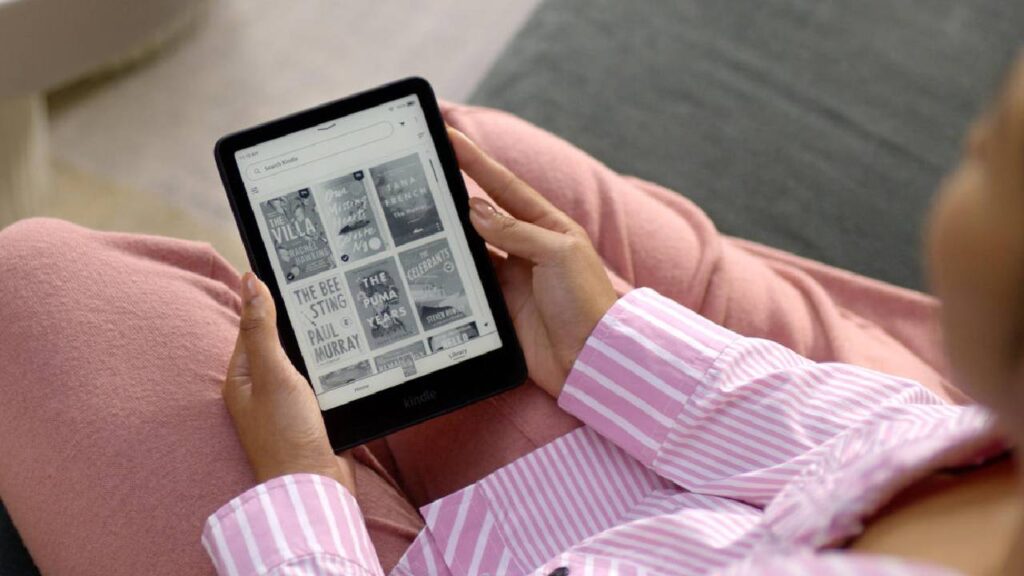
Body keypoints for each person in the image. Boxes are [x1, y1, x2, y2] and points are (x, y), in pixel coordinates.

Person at [0, 57, 1020, 575]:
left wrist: (300, 498)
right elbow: (872, 443)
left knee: (34, 286)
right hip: (737, 473)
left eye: (994, 157)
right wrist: (611, 343)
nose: (975, 143)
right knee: (466, 164)